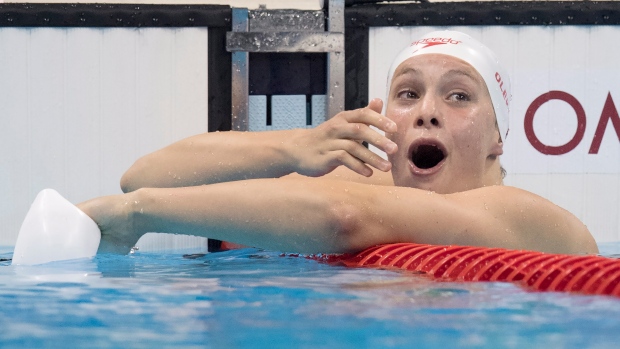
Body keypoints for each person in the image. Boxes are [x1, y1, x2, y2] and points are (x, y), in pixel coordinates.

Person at [77, 30, 598, 256]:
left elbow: (344, 218)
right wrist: (295, 147)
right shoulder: (360, 182)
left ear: (498, 138)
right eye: (408, 93)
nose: (427, 111)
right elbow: (143, 176)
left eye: (458, 96)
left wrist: (136, 215)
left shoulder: (527, 217)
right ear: (384, 119)